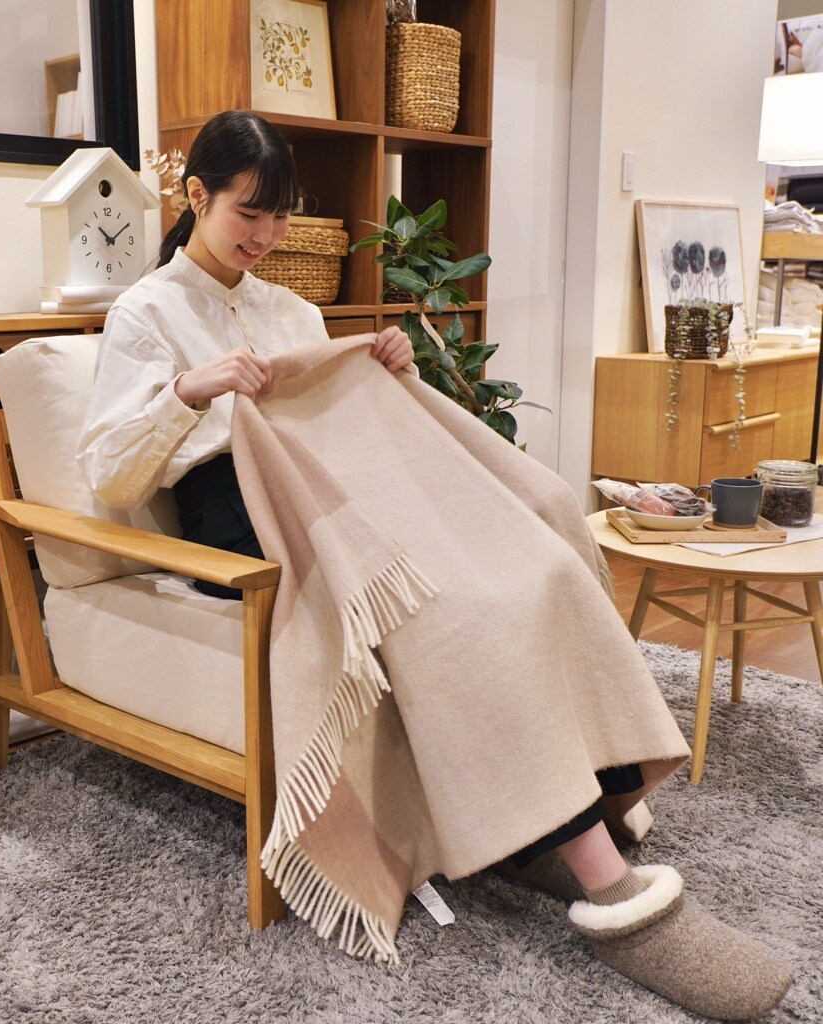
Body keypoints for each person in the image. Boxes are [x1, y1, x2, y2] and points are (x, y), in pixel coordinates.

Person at [75, 110, 792, 1018]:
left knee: (538, 547)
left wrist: (391, 373)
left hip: (338, 491)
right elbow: (109, 471)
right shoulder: (146, 313)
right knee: (456, 607)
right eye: (247, 213)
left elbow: (346, 422)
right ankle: (611, 891)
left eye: (280, 216)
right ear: (195, 196)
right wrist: (190, 389)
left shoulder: (289, 309)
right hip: (242, 512)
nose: (264, 234)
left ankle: (569, 803)